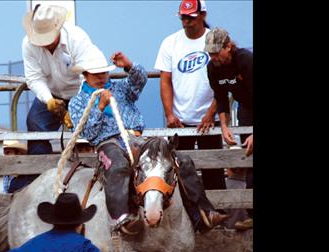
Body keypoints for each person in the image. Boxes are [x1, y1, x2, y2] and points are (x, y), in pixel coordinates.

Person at [68, 46, 227, 235]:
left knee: (180, 160)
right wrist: (100, 107)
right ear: (86, 75)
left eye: (104, 72)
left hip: (137, 139)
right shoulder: (77, 102)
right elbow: (88, 132)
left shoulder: (119, 89)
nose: (102, 76)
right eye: (96, 74)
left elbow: (139, 81)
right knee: (118, 165)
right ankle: (121, 217)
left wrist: (128, 66)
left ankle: (201, 213)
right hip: (107, 142)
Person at [5, 4, 95, 193]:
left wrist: (77, 105)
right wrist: (49, 100)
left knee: (91, 125)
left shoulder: (77, 39)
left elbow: (87, 75)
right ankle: (38, 177)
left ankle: (94, 169)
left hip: (83, 92)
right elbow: (34, 78)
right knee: (35, 120)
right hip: (52, 92)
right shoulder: (28, 43)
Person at [154, 0, 226, 192]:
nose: (186, 21)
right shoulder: (170, 42)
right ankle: (187, 218)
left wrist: (211, 113)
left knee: (214, 172)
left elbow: (224, 80)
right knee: (178, 173)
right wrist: (169, 114)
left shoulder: (214, 40)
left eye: (191, 17)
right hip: (180, 121)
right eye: (183, 17)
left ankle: (217, 215)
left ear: (203, 16)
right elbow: (165, 80)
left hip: (210, 120)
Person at [205, 27, 253, 230]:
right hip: (246, 108)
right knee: (249, 156)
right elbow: (221, 98)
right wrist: (224, 126)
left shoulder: (245, 60)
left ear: (229, 47)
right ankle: (251, 214)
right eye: (210, 53)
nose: (213, 57)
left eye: (216, 52)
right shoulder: (213, 68)